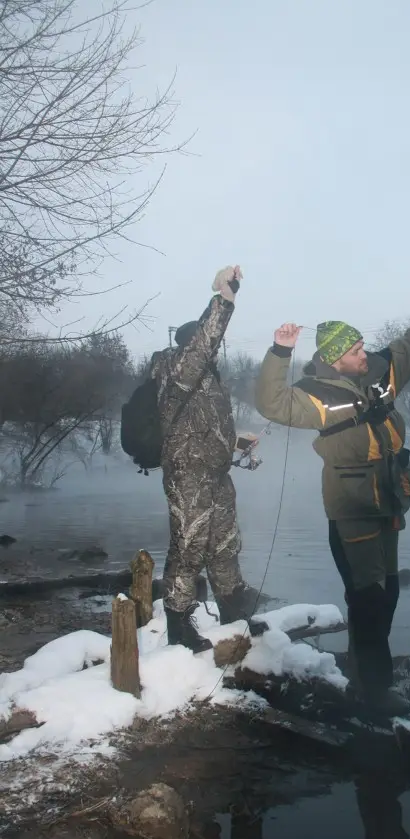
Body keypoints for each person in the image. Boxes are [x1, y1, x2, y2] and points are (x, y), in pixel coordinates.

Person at [255, 283, 410, 715]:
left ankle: (367, 679)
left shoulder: (380, 371)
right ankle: (373, 695)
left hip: (389, 506)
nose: (364, 354)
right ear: (333, 359)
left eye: (362, 346)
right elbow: (271, 403)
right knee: (368, 604)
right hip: (353, 515)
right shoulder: (315, 397)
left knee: (390, 594)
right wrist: (279, 351)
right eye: (355, 350)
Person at [150, 265, 255, 653]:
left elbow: (206, 427)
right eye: (205, 344)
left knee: (225, 544)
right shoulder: (175, 369)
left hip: (215, 472)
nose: (213, 350)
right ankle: (178, 621)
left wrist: (237, 444)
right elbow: (204, 343)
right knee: (189, 545)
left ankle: (233, 613)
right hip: (187, 475)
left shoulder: (208, 381)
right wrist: (224, 299)